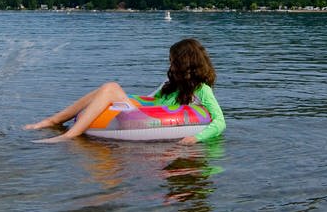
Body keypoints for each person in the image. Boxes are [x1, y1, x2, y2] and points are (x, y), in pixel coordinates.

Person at [25, 37, 226, 144]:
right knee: (107, 90)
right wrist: (125, 100)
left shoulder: (202, 90)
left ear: (186, 63)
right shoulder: (170, 84)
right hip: (144, 114)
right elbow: (150, 101)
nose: (170, 65)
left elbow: (220, 121)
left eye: (173, 61)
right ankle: (53, 121)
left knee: (111, 87)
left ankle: (69, 135)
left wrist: (196, 138)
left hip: (147, 120)